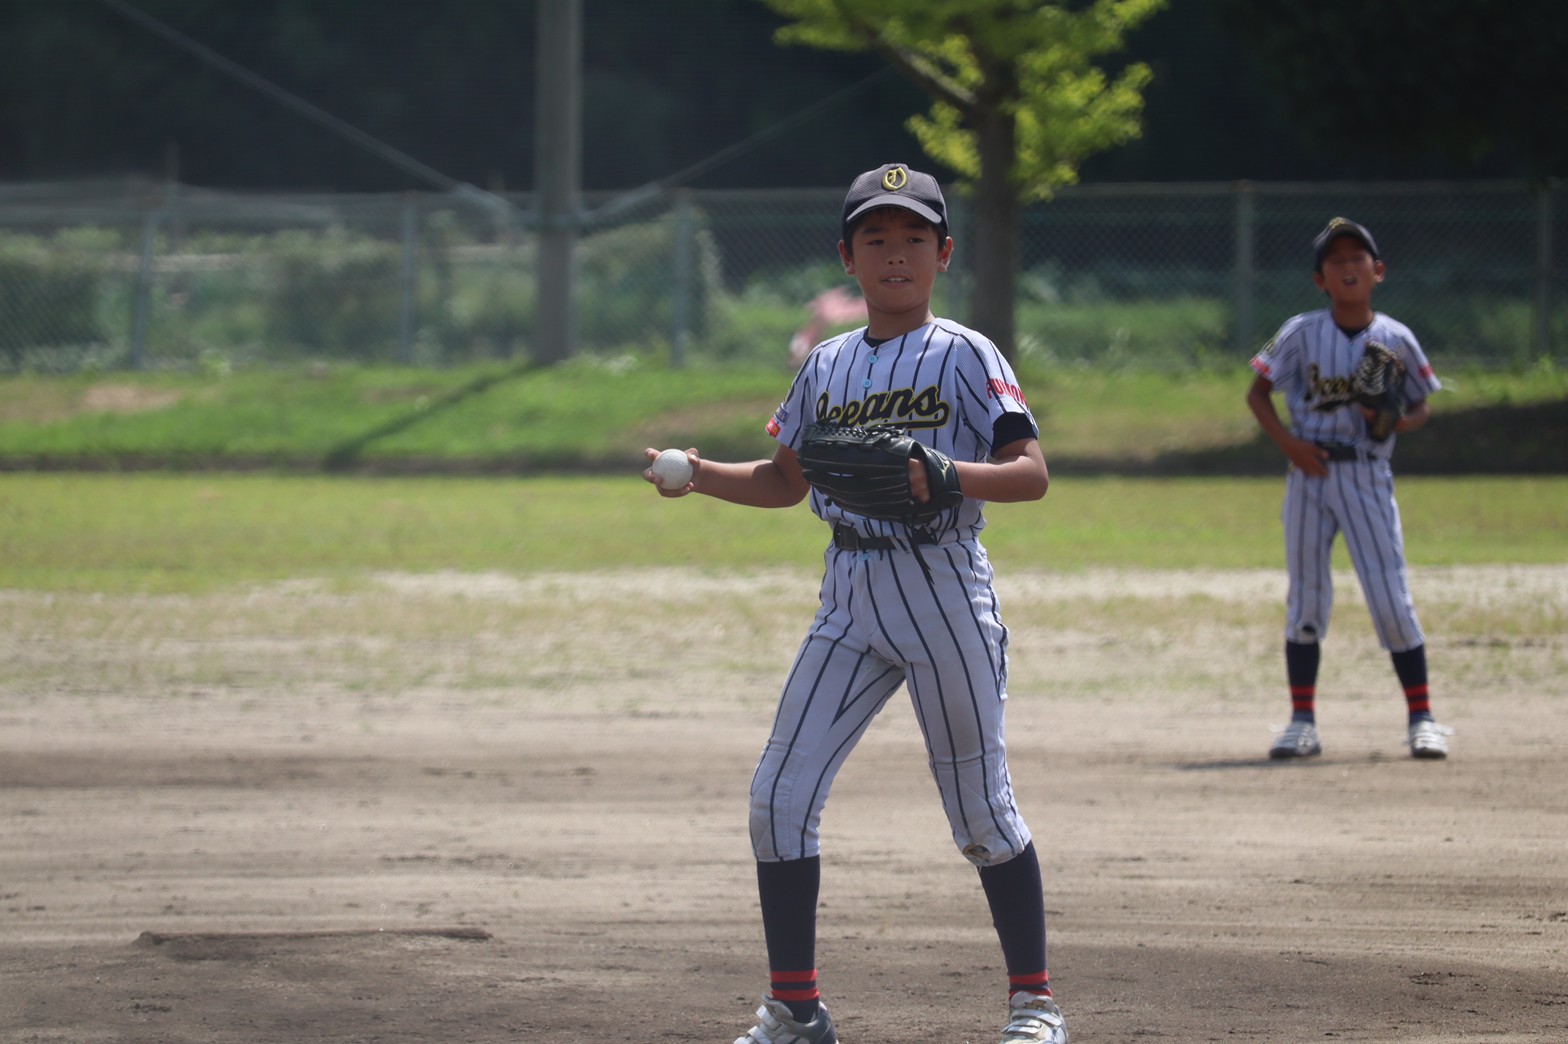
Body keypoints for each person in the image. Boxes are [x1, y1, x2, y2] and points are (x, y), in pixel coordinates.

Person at [643, 163, 1067, 1044]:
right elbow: (784, 481)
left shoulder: (965, 352)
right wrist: (699, 477)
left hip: (943, 584)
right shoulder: (825, 364)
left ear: (944, 253)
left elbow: (1031, 474)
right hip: (849, 594)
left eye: (914, 236)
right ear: (848, 255)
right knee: (776, 799)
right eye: (876, 237)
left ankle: (1035, 1003)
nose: (896, 253)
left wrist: (951, 473)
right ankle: (796, 1010)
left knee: (981, 814)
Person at [1245, 216, 1451, 761]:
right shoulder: (1300, 331)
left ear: (1377, 271)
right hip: (1308, 471)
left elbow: (1421, 404)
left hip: (1365, 471)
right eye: (1335, 261)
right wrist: (1290, 446)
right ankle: (1302, 721)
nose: (1348, 266)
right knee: (1307, 596)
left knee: (1389, 595)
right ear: (1321, 279)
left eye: (1358, 258)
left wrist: (1396, 421)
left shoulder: (1396, 337)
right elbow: (1258, 393)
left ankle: (1422, 718)